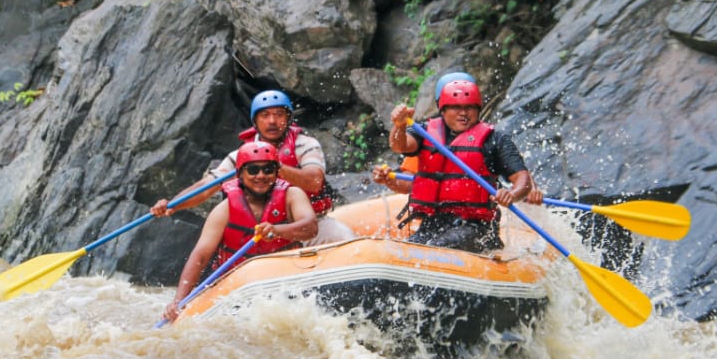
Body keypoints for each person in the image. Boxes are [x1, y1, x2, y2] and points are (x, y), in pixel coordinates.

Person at [152, 89, 352, 244]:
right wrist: (171, 205)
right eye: (265, 115)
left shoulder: (304, 144)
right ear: (255, 121)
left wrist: (275, 166)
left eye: (279, 114)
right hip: (262, 232)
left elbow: (314, 182)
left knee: (345, 238)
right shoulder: (241, 156)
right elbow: (207, 187)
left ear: (288, 118)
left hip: (307, 225)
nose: (272, 121)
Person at [162, 142, 317, 323]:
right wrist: (179, 302)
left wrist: (277, 230)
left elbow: (311, 227)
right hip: (236, 284)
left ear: (276, 172)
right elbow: (201, 256)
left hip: (284, 278)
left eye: (267, 169)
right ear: (240, 174)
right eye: (253, 170)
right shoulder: (225, 209)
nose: (261, 176)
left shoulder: (293, 195)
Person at [386, 77, 541, 253]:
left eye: (469, 107)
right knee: (407, 249)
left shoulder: (496, 140)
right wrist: (398, 126)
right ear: (443, 110)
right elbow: (400, 145)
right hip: (433, 222)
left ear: (478, 109)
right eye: (456, 107)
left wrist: (511, 194)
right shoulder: (424, 132)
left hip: (476, 228)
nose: (463, 113)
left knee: (432, 249)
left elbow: (523, 179)